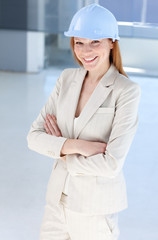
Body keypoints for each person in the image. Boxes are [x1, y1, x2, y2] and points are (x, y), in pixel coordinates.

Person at [27, 3, 141, 240]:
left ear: (112, 42)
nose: (85, 51)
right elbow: (34, 137)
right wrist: (77, 146)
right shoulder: (67, 79)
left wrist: (59, 148)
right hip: (56, 203)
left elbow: (111, 164)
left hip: (95, 210)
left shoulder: (126, 91)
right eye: (79, 42)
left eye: (95, 42)